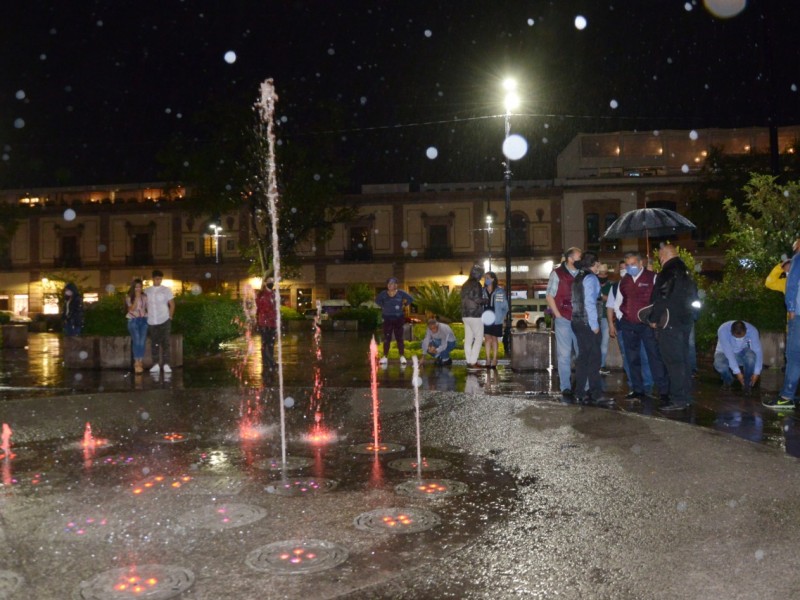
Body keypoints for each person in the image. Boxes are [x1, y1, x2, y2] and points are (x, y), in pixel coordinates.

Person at [610, 251, 668, 402]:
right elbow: (618, 301)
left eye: (633, 264)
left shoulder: (653, 277)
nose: (630, 267)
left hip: (647, 325)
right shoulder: (624, 280)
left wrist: (654, 318)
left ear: (641, 263)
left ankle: (663, 390)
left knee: (654, 357)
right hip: (628, 325)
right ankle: (637, 390)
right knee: (632, 358)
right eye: (628, 265)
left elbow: (660, 299)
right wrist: (621, 317)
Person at [648, 243, 696, 411]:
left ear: (663, 256)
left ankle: (677, 399)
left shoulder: (667, 272)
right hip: (684, 322)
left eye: (660, 257)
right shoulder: (686, 272)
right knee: (683, 361)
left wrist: (653, 318)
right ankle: (686, 396)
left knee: (673, 362)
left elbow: (661, 297)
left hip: (669, 323)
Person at [570, 252, 612, 406]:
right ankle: (595, 393)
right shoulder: (591, 278)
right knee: (594, 360)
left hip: (577, 322)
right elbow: (589, 303)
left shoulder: (578, 278)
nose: (599, 267)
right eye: (598, 264)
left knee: (583, 359)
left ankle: (579, 392)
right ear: (594, 264)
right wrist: (595, 326)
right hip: (588, 323)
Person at [765, 238, 800, 410]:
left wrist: (793, 311)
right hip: (793, 323)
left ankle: (787, 396)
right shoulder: (784, 281)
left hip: (797, 320)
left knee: (794, 358)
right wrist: (781, 266)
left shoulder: (796, 265)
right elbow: (769, 282)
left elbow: (792, 288)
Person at [545, 247, 582, 397]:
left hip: (580, 319)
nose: (582, 260)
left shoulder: (583, 273)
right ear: (570, 258)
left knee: (582, 353)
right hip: (564, 319)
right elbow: (549, 295)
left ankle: (582, 384)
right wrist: (558, 315)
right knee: (564, 354)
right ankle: (565, 386)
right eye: (580, 257)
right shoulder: (557, 273)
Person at [714, 320, 762, 392]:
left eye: (742, 337)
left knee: (751, 358)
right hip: (724, 353)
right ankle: (728, 381)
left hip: (742, 351)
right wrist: (737, 373)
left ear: (746, 330)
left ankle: (747, 383)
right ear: (731, 332)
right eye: (736, 337)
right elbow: (729, 353)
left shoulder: (753, 331)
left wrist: (757, 373)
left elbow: (758, 351)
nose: (740, 340)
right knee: (719, 365)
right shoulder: (723, 330)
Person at [375, 277, 414, 367]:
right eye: (388, 284)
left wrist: (404, 305)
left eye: (392, 284)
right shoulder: (383, 294)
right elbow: (377, 300)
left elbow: (410, 299)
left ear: (396, 285)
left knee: (399, 338)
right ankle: (385, 356)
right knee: (387, 338)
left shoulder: (401, 293)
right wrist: (383, 306)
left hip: (398, 318)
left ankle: (402, 356)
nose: (390, 285)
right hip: (387, 319)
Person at [146, 269, 175, 374]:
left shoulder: (166, 290)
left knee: (165, 342)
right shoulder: (147, 291)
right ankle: (155, 364)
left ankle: (166, 364)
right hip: (152, 320)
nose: (159, 281)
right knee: (154, 343)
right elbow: (144, 304)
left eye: (160, 279)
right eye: (157, 279)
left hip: (164, 319)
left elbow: (172, 304)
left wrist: (170, 316)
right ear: (153, 279)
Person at [460, 264, 485, 369]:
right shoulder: (476, 284)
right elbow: (477, 300)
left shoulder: (465, 284)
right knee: (479, 338)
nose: (481, 276)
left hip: (465, 315)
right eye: (481, 274)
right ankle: (473, 362)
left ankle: (469, 361)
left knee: (468, 339)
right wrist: (486, 300)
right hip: (475, 314)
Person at [482, 271, 509, 369]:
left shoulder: (500, 291)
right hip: (485, 318)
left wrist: (502, 318)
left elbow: (505, 307)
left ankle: (494, 359)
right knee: (487, 339)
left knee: (494, 339)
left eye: (488, 278)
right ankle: (488, 359)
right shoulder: (482, 291)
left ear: (493, 279)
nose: (486, 280)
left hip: (496, 318)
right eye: (485, 278)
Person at [126, 278, 148, 374]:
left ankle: (140, 361)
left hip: (143, 320)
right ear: (133, 287)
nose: (138, 289)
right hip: (133, 320)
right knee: (137, 340)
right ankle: (136, 362)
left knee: (142, 341)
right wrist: (137, 298)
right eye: (136, 287)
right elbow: (131, 309)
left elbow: (148, 308)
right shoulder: (129, 297)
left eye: (140, 287)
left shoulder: (145, 296)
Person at [256, 277, 278, 372]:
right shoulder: (261, 294)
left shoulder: (274, 294)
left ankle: (270, 360)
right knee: (266, 343)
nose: (271, 283)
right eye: (269, 282)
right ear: (265, 283)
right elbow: (259, 307)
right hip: (264, 323)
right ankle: (268, 361)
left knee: (271, 343)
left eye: (272, 282)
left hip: (272, 323)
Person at [597, 263, 611, 375]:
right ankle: (596, 365)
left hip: (606, 317)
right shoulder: (593, 283)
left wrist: (601, 296)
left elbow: (612, 299)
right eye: (600, 274)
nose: (602, 276)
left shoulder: (610, 286)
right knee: (595, 342)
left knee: (604, 344)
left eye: (604, 274)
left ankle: (601, 365)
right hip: (594, 317)